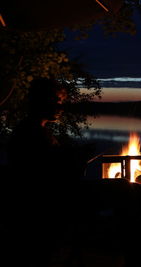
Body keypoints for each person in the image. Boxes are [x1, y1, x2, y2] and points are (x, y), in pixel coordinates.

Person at [3, 78, 90, 266]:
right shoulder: (31, 134)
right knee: (123, 190)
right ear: (42, 102)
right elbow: (47, 174)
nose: (61, 107)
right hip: (47, 201)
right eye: (57, 101)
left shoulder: (32, 130)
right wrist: (77, 159)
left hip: (49, 197)